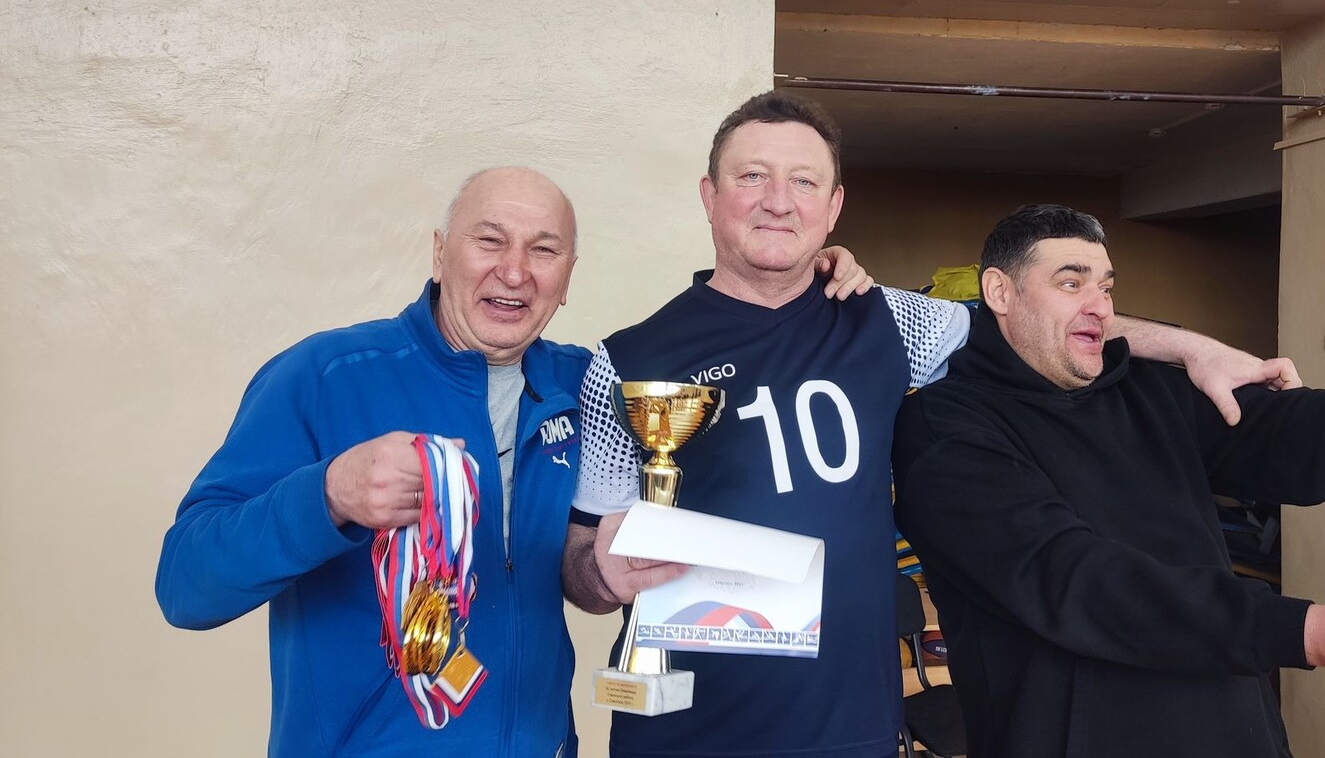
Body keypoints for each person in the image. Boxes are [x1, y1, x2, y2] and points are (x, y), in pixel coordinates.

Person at [561, 91, 1306, 758]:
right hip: (682, 731)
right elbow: (581, 569)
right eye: (752, 175)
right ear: (710, 194)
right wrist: (601, 574)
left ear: (834, 206)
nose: (778, 201)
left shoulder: (889, 320)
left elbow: (1037, 323)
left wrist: (1195, 349)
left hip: (854, 728)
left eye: (804, 181)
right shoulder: (623, 361)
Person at [154, 165, 872, 757]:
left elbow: (582, 571)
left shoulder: (589, 386)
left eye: (544, 250)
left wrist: (813, 285)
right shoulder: (324, 375)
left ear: (568, 277)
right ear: (441, 252)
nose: (515, 270)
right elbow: (186, 585)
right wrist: (329, 496)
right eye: (489, 240)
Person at [889, 203, 1325, 758]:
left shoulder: (1152, 391)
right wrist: (1311, 631)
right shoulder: (943, 431)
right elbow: (1078, 581)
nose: (1099, 305)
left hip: (1235, 734)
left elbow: (1310, 436)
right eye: (1070, 283)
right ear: (999, 292)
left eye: (1106, 286)